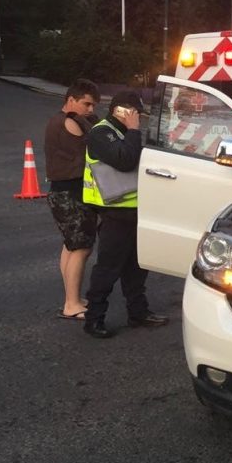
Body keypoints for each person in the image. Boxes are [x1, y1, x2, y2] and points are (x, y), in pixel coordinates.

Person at [82, 91, 168, 338]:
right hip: (114, 212)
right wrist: (133, 130)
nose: (139, 118)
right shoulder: (101, 133)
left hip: (135, 211)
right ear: (122, 111)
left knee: (137, 267)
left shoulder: (123, 132)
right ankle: (94, 319)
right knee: (108, 269)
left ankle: (138, 313)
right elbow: (125, 160)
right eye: (136, 113)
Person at [45, 79, 100, 320]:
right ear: (70, 100)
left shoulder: (57, 120)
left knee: (70, 246)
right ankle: (72, 304)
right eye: (86, 104)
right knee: (81, 248)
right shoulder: (69, 122)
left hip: (61, 192)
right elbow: (91, 149)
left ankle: (72, 297)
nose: (91, 109)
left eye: (93, 105)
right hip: (72, 193)